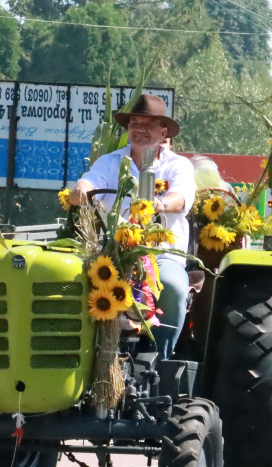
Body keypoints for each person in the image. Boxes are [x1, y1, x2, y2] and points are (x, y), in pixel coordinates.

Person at [69, 94, 195, 359]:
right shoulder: (109, 162)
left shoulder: (178, 165)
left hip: (161, 255)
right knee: (70, 280)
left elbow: (182, 198)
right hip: (111, 252)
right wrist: (82, 189)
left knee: (172, 286)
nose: (139, 130)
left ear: (163, 133)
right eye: (135, 124)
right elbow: (89, 182)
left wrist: (158, 205)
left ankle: (161, 358)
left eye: (148, 125)